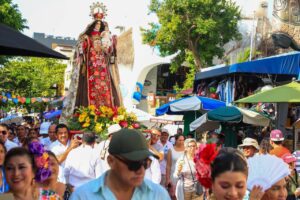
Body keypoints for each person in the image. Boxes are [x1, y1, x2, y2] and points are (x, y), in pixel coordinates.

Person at [70, 129, 170, 200]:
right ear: (111, 161)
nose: (141, 170)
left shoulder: (158, 195)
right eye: (133, 164)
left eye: (145, 163)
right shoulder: (83, 196)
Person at [74, 7, 121, 108]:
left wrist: (111, 42)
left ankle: (106, 107)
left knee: (105, 86)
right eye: (97, 23)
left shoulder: (104, 36)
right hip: (91, 64)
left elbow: (108, 51)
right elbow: (82, 46)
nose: (99, 26)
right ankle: (91, 107)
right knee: (92, 85)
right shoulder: (88, 36)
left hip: (103, 66)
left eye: (100, 24)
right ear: (93, 24)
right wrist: (84, 42)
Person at [166, 134, 185, 198]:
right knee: (173, 195)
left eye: (183, 140)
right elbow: (168, 166)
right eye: (180, 140)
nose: (181, 142)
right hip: (173, 176)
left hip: (184, 177)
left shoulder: (186, 150)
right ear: (176, 140)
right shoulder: (171, 150)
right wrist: (167, 179)